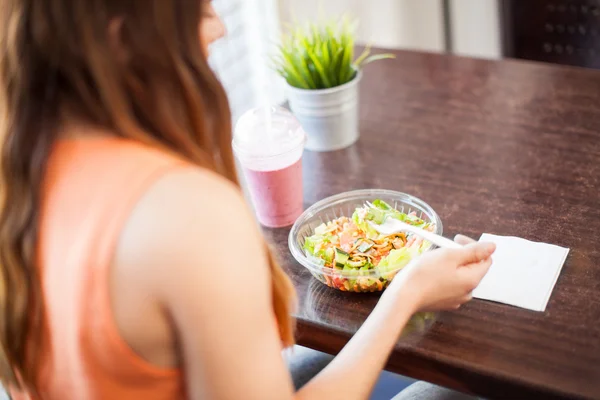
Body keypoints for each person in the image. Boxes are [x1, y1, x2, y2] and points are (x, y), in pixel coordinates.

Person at [0, 1, 496, 399]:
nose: (219, 28)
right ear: (121, 33)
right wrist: (405, 295)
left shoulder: (21, 173)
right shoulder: (186, 215)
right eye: (198, 10)